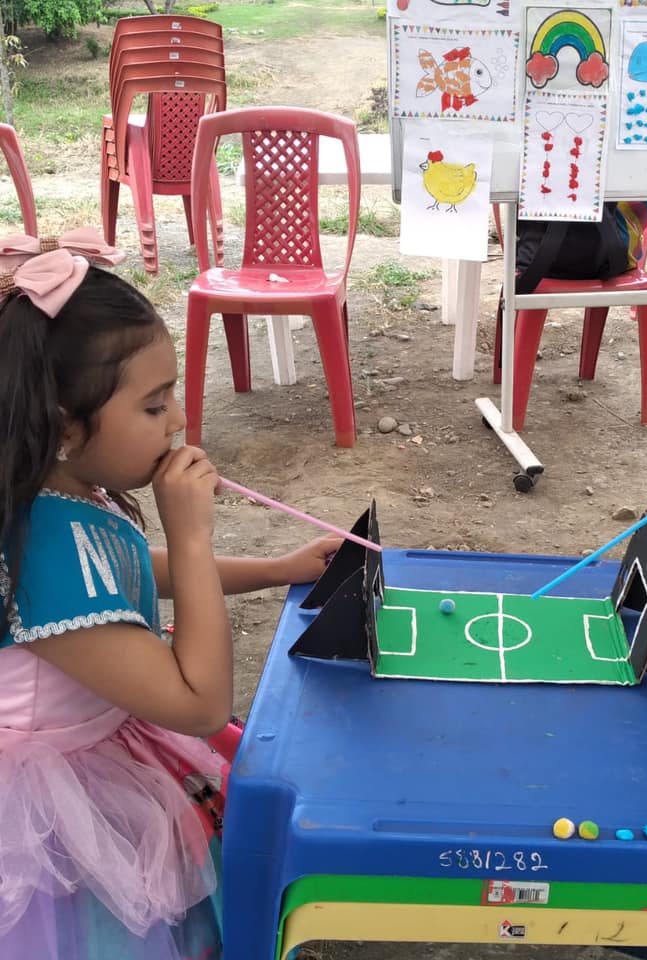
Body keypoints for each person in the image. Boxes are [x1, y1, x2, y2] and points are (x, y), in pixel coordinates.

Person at [0, 245, 341, 959]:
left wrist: (274, 568)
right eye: (154, 405)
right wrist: (190, 532)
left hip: (108, 739)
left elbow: (124, 570)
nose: (178, 420)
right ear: (65, 427)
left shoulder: (63, 491)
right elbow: (199, 704)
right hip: (60, 813)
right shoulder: (41, 551)